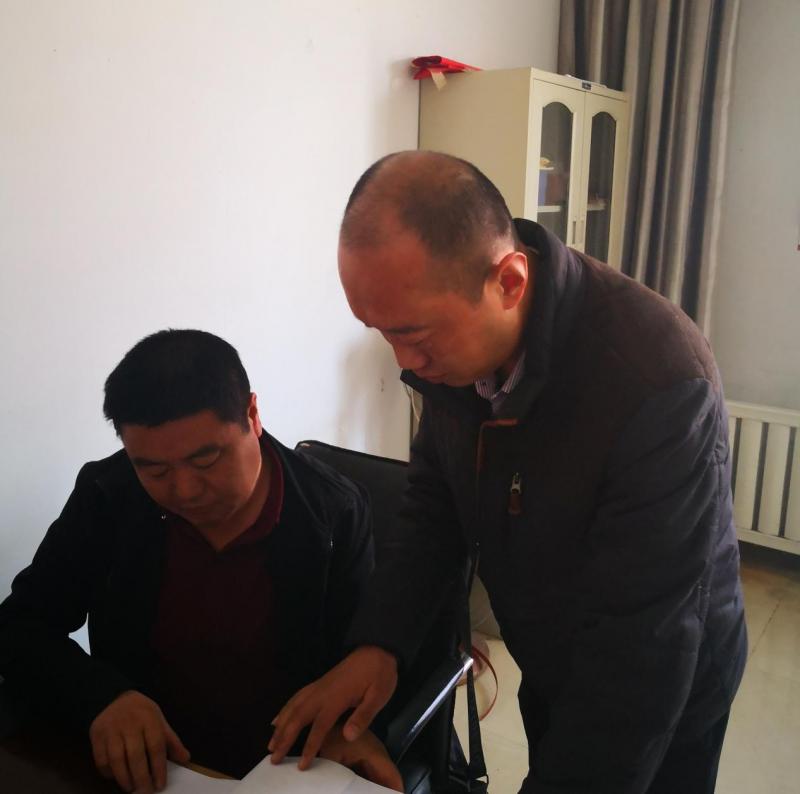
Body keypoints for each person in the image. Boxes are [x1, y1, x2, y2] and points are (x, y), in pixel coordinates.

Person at [269, 151, 748, 793]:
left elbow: (641, 652)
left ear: (510, 282)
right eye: (379, 332)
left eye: (415, 335)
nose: (404, 361)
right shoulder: (458, 358)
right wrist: (379, 644)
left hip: (666, 684)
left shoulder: (656, 382)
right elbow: (434, 507)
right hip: (552, 652)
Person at [0, 329, 402, 794]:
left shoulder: (333, 512)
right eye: (155, 469)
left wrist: (346, 727)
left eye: (207, 460)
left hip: (281, 763)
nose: (185, 491)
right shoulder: (108, 495)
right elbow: (20, 627)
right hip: (151, 763)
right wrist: (102, 697)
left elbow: (359, 657)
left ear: (252, 415)